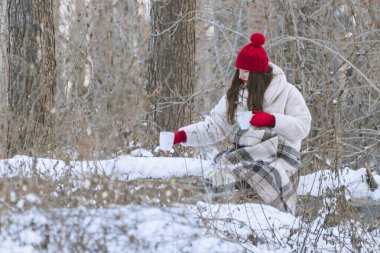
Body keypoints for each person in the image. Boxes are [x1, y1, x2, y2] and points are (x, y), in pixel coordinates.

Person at [170, 33, 311, 215]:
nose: (242, 75)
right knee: (223, 169)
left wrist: (271, 120)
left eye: (246, 71)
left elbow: (303, 126)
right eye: (240, 70)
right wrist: (182, 135)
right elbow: (215, 126)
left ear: (258, 73)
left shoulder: (288, 92)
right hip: (246, 154)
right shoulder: (236, 95)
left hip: (279, 155)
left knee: (261, 173)